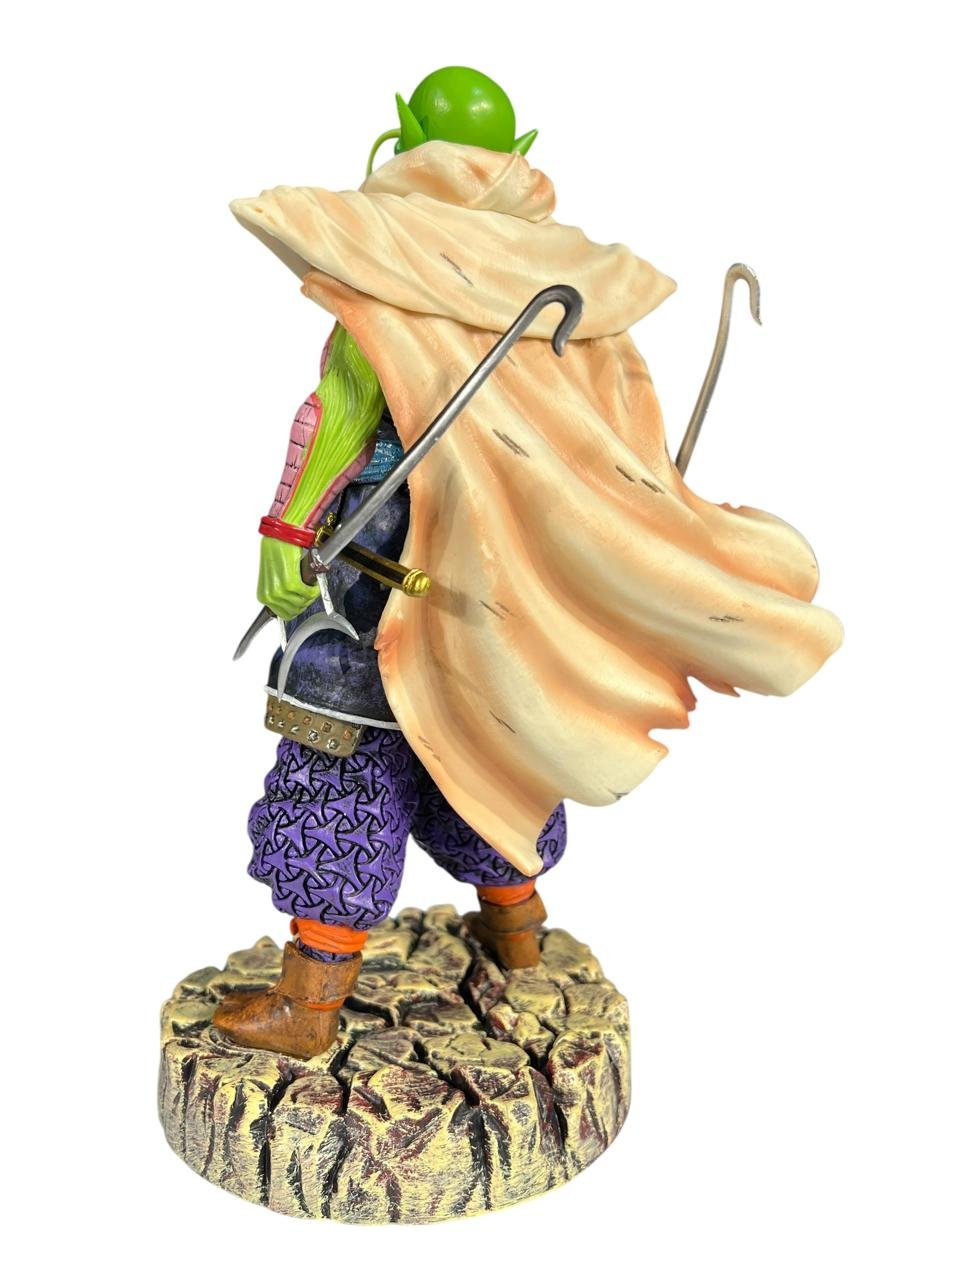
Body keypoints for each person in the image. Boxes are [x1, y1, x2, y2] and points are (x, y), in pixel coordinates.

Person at [214, 66, 842, 1058]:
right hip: (499, 579)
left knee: (340, 755)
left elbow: (338, 413)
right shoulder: (570, 283)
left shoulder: (385, 256)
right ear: (521, 153)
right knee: (484, 736)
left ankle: (312, 1003)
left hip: (380, 564)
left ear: (400, 138)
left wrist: (286, 531)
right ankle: (516, 934)